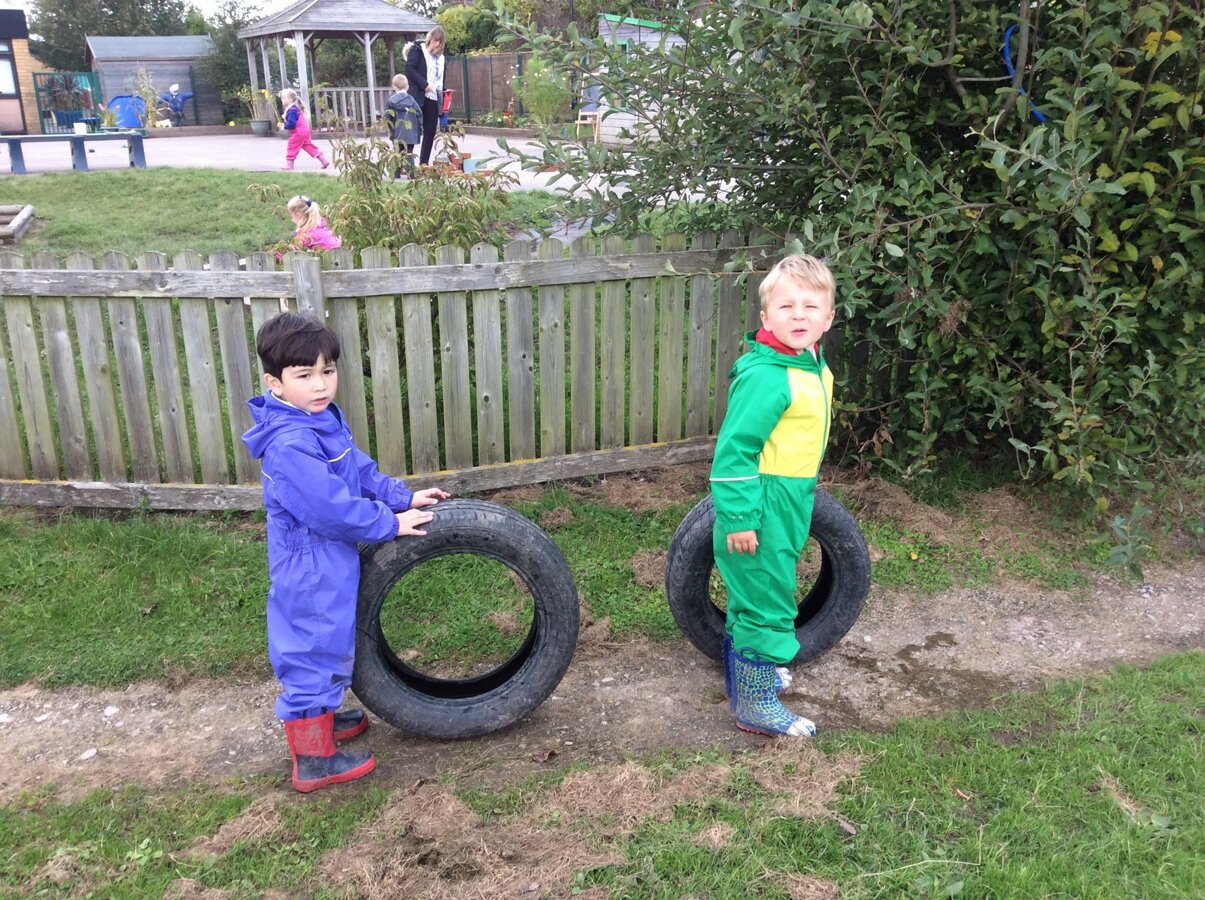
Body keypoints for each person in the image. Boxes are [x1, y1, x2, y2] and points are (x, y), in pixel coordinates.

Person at [242, 312, 450, 792]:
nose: (320, 385)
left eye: (327, 372)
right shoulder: (290, 443)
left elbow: (356, 471)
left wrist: (401, 497)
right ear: (275, 382)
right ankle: (312, 759)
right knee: (313, 644)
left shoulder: (317, 419)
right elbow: (330, 508)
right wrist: (388, 523)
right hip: (310, 560)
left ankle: (321, 719)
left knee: (331, 636)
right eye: (304, 375)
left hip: (328, 553)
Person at [710, 254, 837, 738]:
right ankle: (756, 705)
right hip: (761, 503)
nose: (799, 315)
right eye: (786, 306)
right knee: (768, 598)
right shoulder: (768, 376)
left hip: (790, 495)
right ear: (766, 318)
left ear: (829, 318)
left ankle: (748, 680)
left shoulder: (806, 361)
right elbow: (734, 452)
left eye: (811, 306)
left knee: (754, 596)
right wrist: (741, 517)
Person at [404, 25, 447, 166]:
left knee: (430, 132)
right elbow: (409, 69)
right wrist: (424, 85)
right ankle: (404, 164)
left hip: (434, 98)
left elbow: (440, 78)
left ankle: (423, 165)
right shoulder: (417, 49)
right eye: (435, 41)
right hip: (418, 96)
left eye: (439, 43)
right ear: (431, 38)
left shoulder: (442, 58)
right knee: (411, 130)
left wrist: (444, 92)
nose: (436, 45)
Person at [279, 88, 330, 171]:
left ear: (289, 99)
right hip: (304, 131)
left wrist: (284, 126)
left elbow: (292, 123)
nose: (282, 100)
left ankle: (289, 165)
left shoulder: (291, 110)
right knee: (308, 146)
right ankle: (323, 160)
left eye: (283, 98)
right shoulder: (295, 108)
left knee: (292, 146)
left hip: (298, 132)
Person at [384, 72, 423, 179]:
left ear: (394, 87)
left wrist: (389, 131)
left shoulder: (391, 101)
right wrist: (419, 130)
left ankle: (395, 174)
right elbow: (419, 115)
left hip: (397, 132)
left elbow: (387, 117)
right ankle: (411, 174)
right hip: (410, 133)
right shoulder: (412, 101)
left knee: (397, 152)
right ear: (408, 87)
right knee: (409, 153)